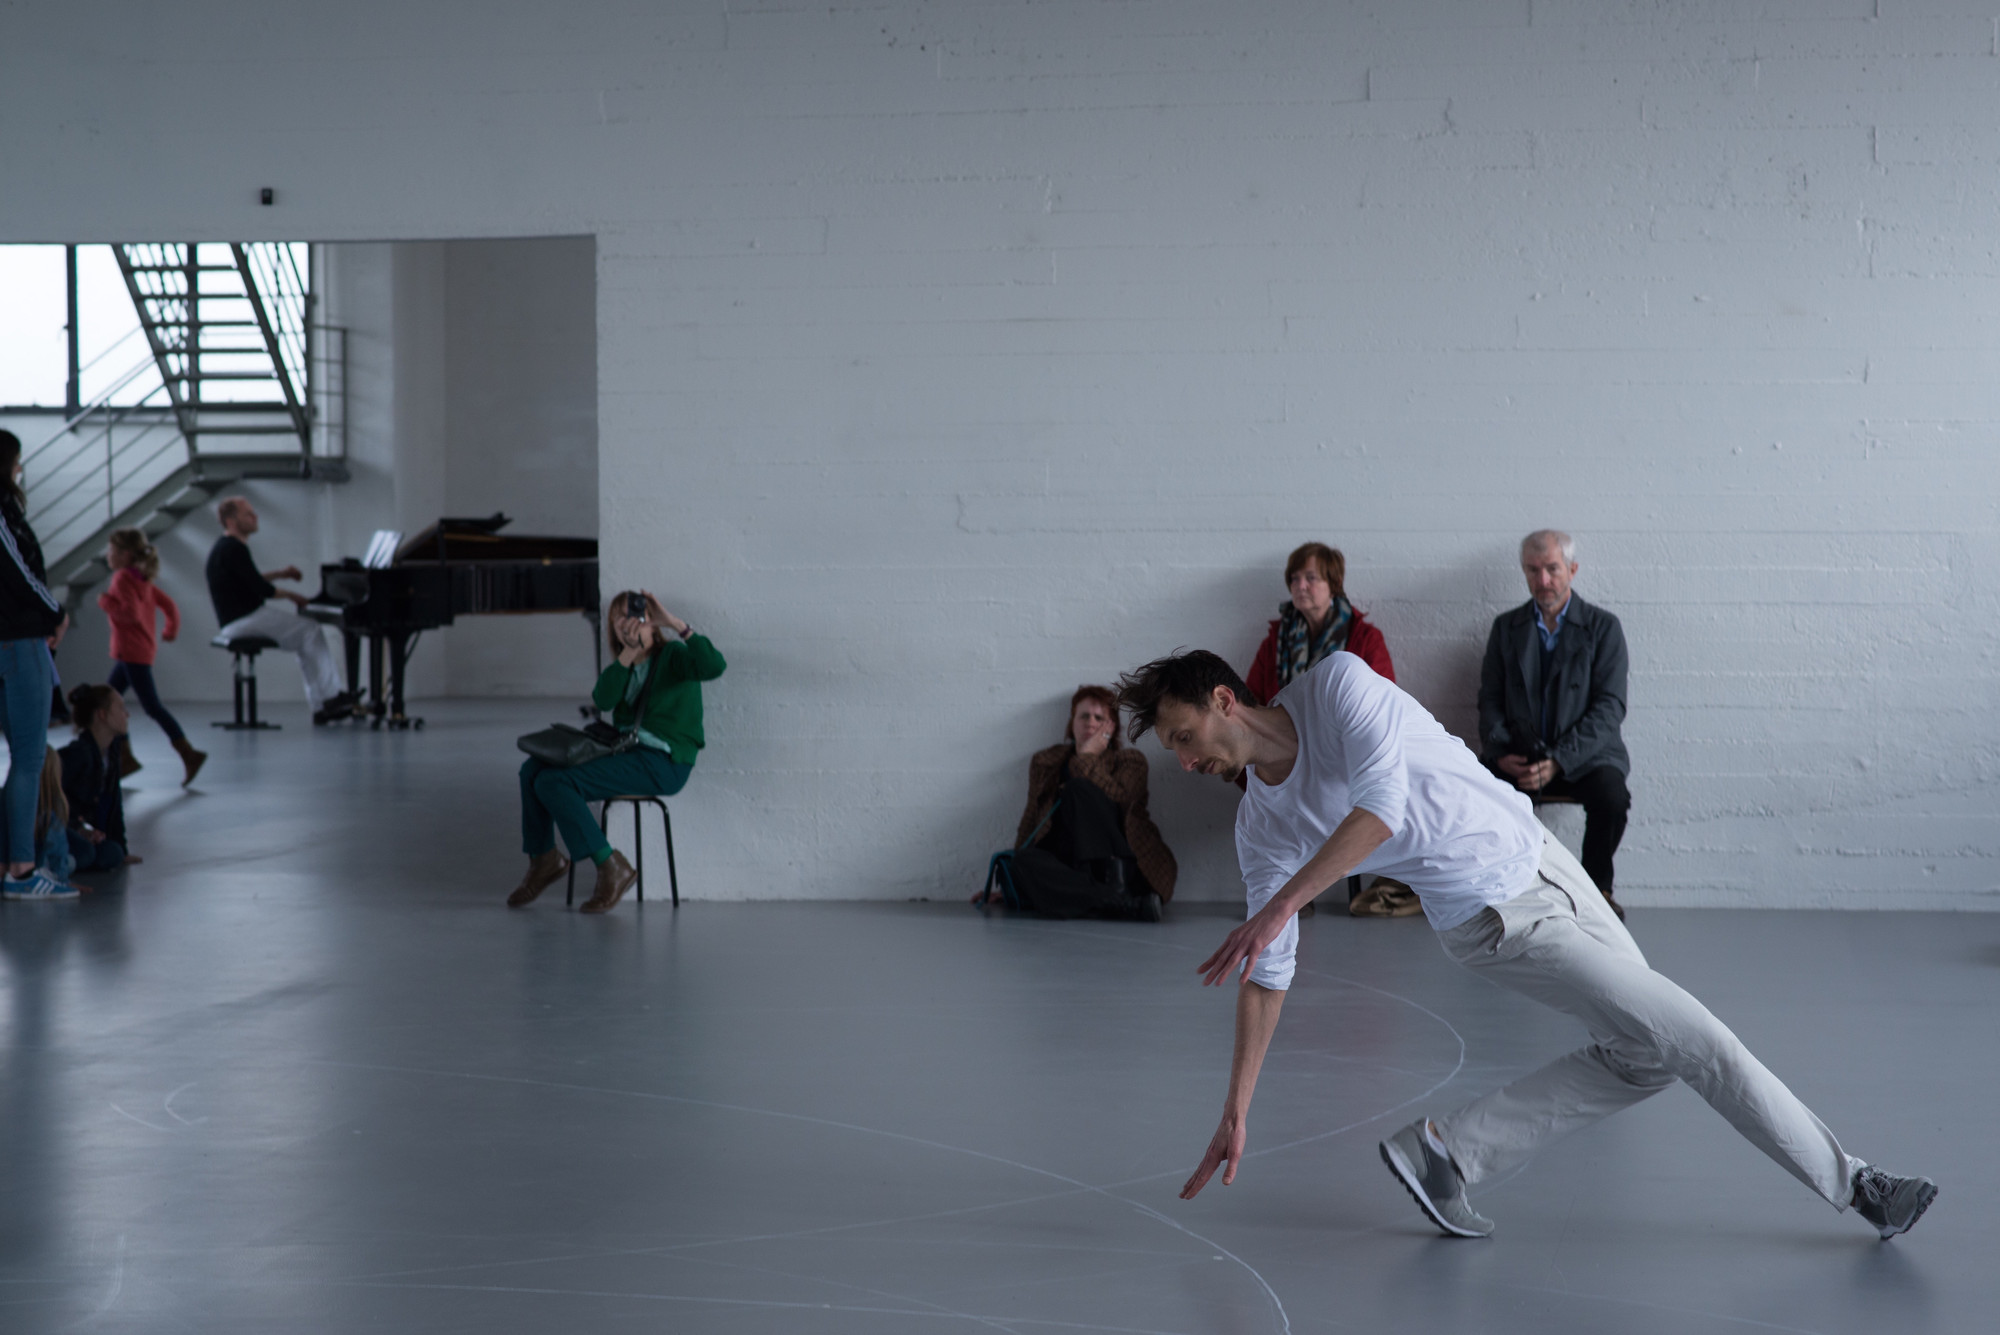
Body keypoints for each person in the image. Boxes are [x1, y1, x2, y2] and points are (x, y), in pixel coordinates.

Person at [1118, 648, 1937, 1242]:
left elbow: (1381, 809)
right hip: (1497, 922)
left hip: (1547, 861)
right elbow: (1271, 972)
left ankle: (1449, 1152)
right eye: (1175, 750)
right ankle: (1857, 1182)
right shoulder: (1262, 825)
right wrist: (1237, 1105)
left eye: (1184, 735)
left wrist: (1282, 905)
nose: (1186, 760)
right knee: (1698, 1038)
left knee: (1649, 1052)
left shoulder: (1336, 688)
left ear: (1225, 700)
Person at [508, 590, 724, 914]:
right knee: (532, 770)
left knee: (554, 783)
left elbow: (713, 666)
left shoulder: (674, 657)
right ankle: (543, 860)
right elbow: (603, 700)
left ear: (652, 621)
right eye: (619, 618)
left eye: (636, 615)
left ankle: (610, 866)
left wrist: (675, 623)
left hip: (664, 762)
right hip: (627, 754)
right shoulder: (622, 666)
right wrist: (627, 653)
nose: (629, 623)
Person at [1245, 541, 1413, 919]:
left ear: (1333, 584)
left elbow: (1382, 703)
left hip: (1343, 754)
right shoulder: (1275, 641)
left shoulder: (1364, 639)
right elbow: (1252, 700)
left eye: (1311, 578)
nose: (1300, 586)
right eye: (1294, 578)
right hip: (1289, 755)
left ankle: (1303, 888)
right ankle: (1284, 887)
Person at [1478, 529, 1631, 918]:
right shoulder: (1505, 629)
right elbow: (1490, 700)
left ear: (1572, 569)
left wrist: (1560, 759)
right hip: (1521, 755)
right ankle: (1500, 889)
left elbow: (1610, 708)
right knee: (1476, 788)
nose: (1542, 580)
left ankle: (1599, 892)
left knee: (1611, 797)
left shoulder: (1603, 628)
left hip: (1583, 759)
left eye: (1552, 569)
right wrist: (1500, 751)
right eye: (1533, 570)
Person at [973, 685, 1174, 921]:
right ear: (1072, 722)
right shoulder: (1046, 762)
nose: (1090, 722)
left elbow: (1124, 803)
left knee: (1078, 790)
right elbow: (1031, 817)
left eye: (1099, 717)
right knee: (1020, 861)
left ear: (1112, 727)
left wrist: (1087, 757)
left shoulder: (1130, 761)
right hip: (1069, 868)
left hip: (1121, 866)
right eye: (1084, 716)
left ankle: (1104, 895)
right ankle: (1117, 902)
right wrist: (1014, 883)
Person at [0, 429, 77, 901]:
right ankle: (22, 869)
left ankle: (12, 861)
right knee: (29, 757)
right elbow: (19, 571)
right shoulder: (4, 512)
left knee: (16, 757)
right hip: (19, 640)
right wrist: (57, 613)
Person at [204, 496, 357, 725]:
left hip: (236, 620)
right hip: (244, 619)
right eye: (248, 514)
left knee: (304, 636)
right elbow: (262, 589)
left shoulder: (225, 547)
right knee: (310, 630)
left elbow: (248, 580)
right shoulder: (234, 549)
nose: (255, 517)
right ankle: (330, 698)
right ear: (231, 521)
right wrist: (293, 596)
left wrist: (281, 573)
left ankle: (323, 704)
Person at [100, 528, 207, 785]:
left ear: (125, 555)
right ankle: (126, 757)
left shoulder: (123, 579)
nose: (107, 555)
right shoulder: (141, 579)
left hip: (131, 653)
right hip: (137, 652)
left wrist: (107, 603)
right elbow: (169, 605)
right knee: (110, 701)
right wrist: (170, 629)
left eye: (112, 550)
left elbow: (130, 615)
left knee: (147, 706)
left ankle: (188, 753)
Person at [59, 684, 140, 874]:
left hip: (78, 831)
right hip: (57, 829)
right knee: (86, 853)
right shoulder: (79, 753)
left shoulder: (111, 753)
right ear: (102, 715)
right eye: (120, 708)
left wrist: (121, 847)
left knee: (113, 852)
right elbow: (49, 799)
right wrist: (78, 829)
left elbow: (114, 802)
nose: (126, 714)